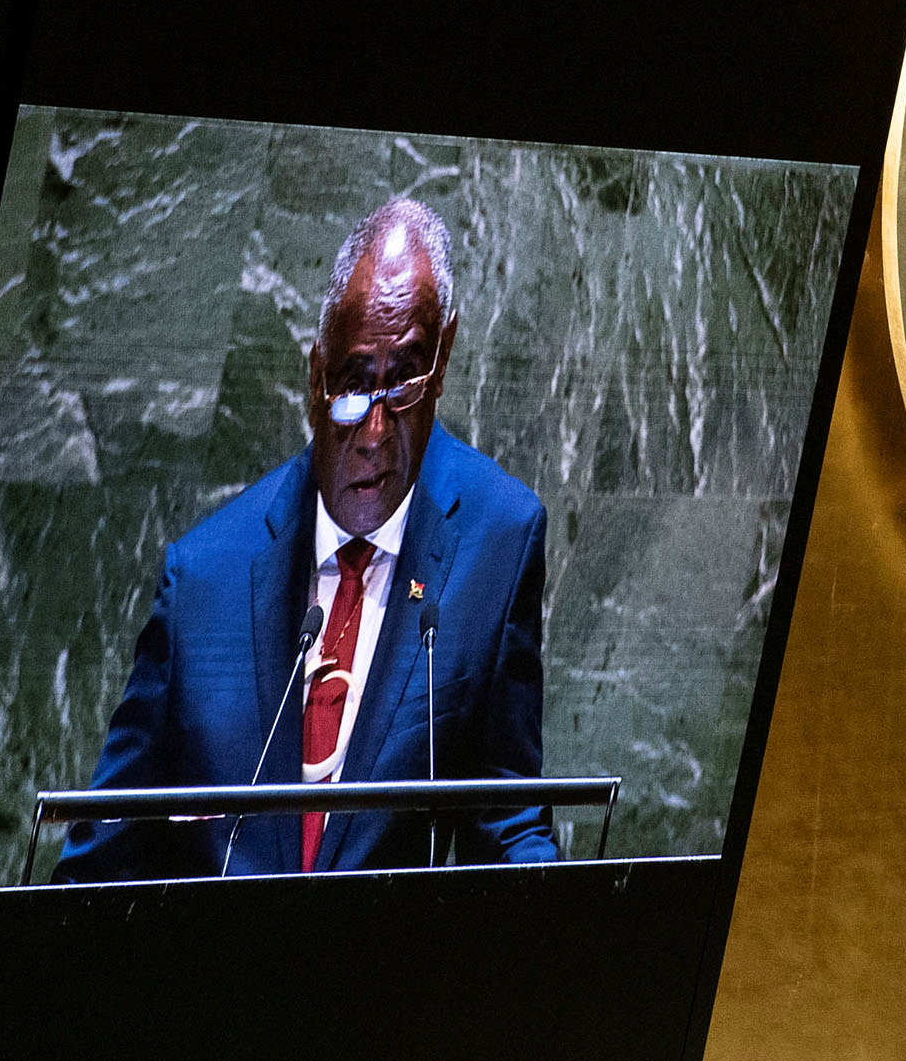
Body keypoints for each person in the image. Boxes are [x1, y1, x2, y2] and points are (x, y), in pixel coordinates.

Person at [57, 198, 558, 879]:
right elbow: (103, 854)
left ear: (442, 363)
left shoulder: (498, 541)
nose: (375, 433)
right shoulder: (207, 577)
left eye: (404, 382)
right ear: (314, 376)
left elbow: (509, 819)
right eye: (353, 386)